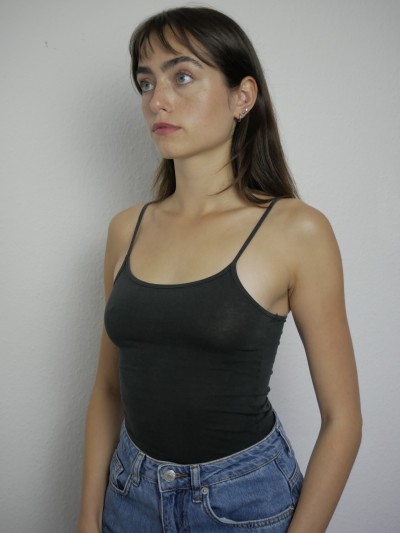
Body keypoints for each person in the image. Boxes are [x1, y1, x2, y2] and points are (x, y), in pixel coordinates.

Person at [77, 6, 362, 533]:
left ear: (242, 97)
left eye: (182, 76)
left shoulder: (297, 230)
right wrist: (87, 520)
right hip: (129, 495)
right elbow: (108, 391)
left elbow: (342, 421)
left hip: (243, 503)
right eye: (146, 82)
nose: (157, 100)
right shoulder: (126, 230)